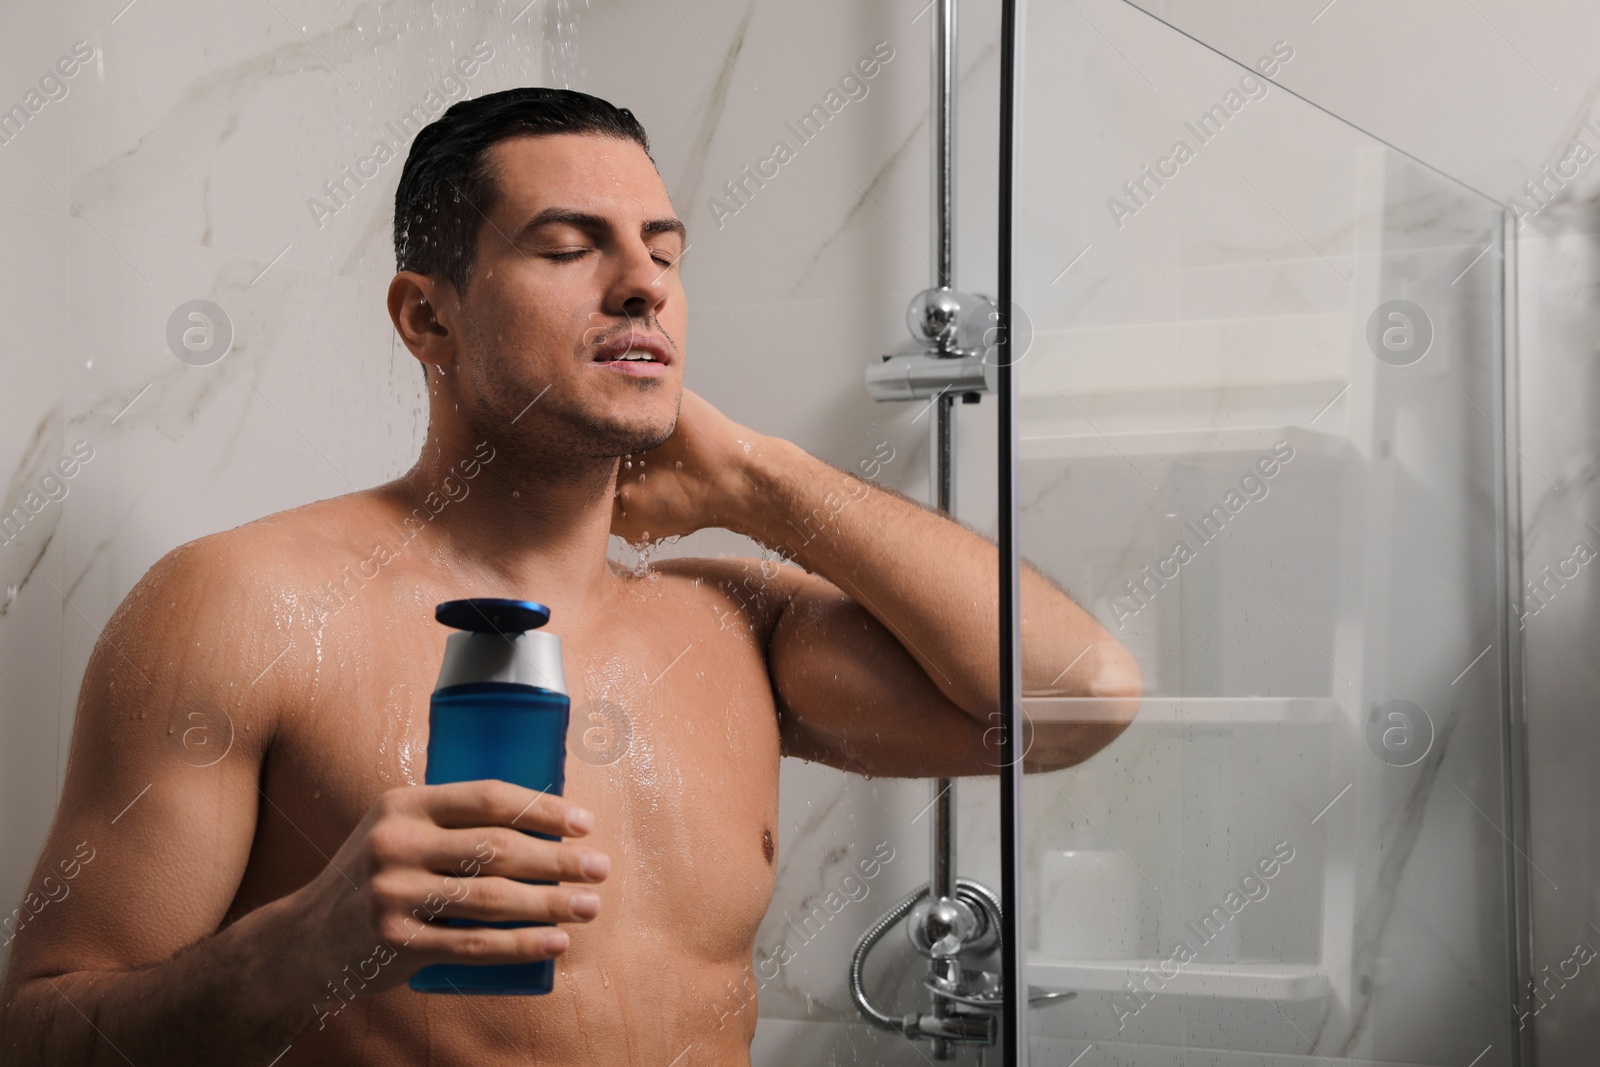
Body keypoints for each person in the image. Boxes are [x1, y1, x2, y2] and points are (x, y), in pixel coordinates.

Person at [0, 87, 1140, 1066]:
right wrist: (299, 953)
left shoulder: (730, 622)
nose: (641, 283)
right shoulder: (240, 605)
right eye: (566, 245)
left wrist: (761, 479)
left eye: (664, 250)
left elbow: (1078, 698)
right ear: (427, 317)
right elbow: (39, 1031)